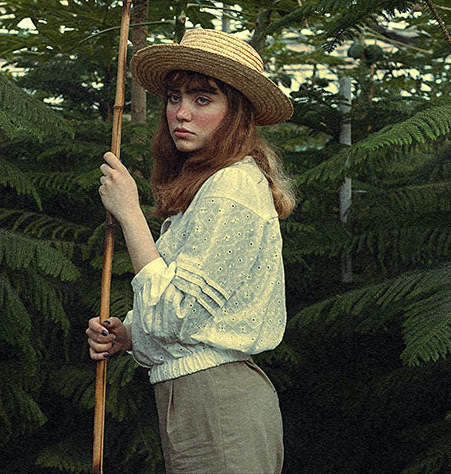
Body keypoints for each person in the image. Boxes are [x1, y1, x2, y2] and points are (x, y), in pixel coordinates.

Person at [86, 28, 295, 473]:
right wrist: (129, 336)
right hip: (201, 397)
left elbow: (174, 313)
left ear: (236, 112)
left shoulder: (231, 187)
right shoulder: (210, 187)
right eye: (175, 96)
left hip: (217, 401)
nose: (181, 113)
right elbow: (186, 323)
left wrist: (130, 214)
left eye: (203, 100)